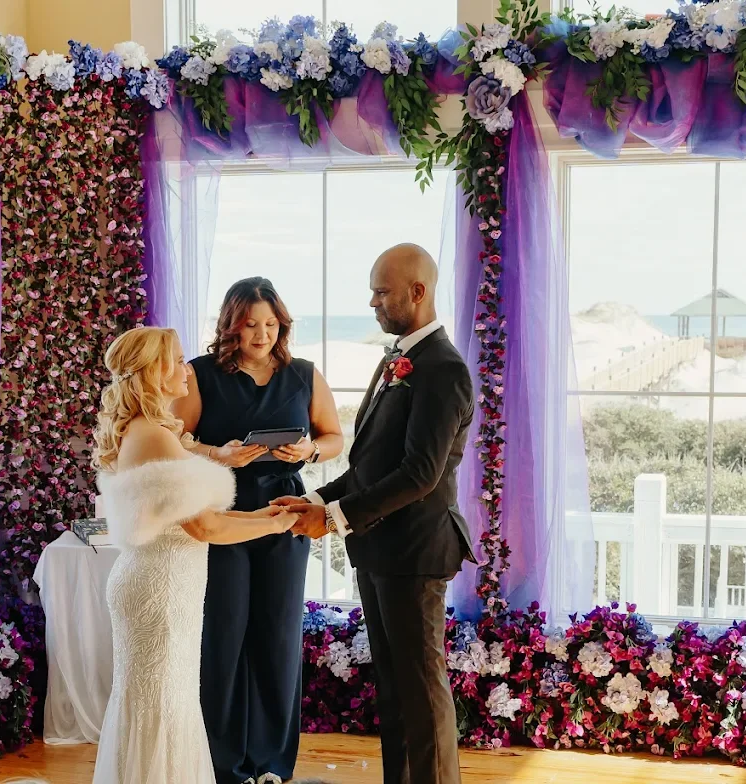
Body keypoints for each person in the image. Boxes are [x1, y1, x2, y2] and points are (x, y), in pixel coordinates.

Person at [278, 244, 475, 784]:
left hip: (414, 552)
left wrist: (336, 518)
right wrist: (317, 500)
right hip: (382, 551)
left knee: (421, 690)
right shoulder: (396, 360)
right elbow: (371, 465)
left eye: (382, 291)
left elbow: (419, 475)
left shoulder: (443, 369)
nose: (372, 302)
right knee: (395, 690)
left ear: (418, 292)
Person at [90, 326, 299, 784]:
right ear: (152, 372)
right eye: (178, 361)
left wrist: (264, 513)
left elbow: (195, 519)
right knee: (161, 709)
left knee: (164, 705)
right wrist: (277, 524)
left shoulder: (154, 431)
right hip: (159, 592)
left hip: (164, 583)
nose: (188, 369)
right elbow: (204, 527)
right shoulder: (154, 436)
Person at [173, 278, 344, 784]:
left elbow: (334, 437)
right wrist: (216, 453)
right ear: (231, 325)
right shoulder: (199, 374)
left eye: (271, 324)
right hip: (220, 513)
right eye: (251, 325)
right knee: (223, 636)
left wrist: (310, 451)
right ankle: (223, 763)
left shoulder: (305, 376)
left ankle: (271, 763)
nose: (262, 334)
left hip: (284, 513)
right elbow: (175, 439)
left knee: (278, 634)